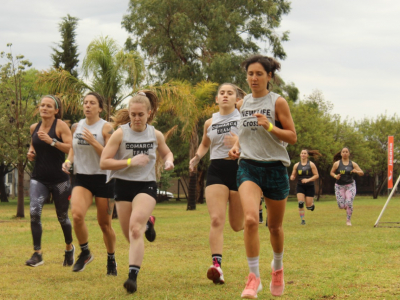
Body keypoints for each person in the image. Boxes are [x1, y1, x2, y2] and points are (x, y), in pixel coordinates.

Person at [229, 55, 297, 298]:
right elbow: (244, 133)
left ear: (269, 76)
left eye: (259, 74)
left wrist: (270, 126)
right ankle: (253, 277)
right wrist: (237, 146)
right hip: (248, 166)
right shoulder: (242, 104)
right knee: (250, 220)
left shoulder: (278, 102)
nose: (254, 78)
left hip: (276, 168)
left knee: (275, 227)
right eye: (250, 74)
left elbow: (291, 137)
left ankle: (277, 268)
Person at [100, 91, 174, 294]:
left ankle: (132, 277)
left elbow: (166, 151)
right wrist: (130, 161)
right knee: (131, 235)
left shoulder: (155, 134)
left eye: (141, 114)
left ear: (149, 113)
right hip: (123, 185)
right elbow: (104, 161)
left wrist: (169, 160)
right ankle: (148, 222)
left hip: (146, 185)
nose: (137, 118)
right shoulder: (120, 133)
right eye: (133, 114)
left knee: (135, 229)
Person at [189, 83, 244, 285]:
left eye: (230, 93)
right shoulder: (209, 122)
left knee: (237, 225)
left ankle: (254, 210)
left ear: (237, 99)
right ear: (216, 98)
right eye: (222, 93)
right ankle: (217, 266)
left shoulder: (243, 119)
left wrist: (239, 142)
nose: (225, 96)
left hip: (239, 169)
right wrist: (196, 157)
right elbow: (205, 143)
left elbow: (255, 141)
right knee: (216, 219)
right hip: (217, 170)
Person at [61, 92, 117, 274]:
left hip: (103, 179)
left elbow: (110, 156)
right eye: (85, 102)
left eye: (92, 103)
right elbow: (72, 149)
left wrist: (93, 142)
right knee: (76, 216)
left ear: (100, 108)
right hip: (82, 178)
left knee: (104, 224)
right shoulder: (77, 126)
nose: (87, 106)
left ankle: (111, 259)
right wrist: (68, 161)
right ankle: (85, 252)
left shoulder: (106, 128)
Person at [26, 95, 74, 267]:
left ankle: (69, 248)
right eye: (42, 105)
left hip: (60, 180)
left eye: (49, 106)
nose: (44, 108)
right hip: (39, 178)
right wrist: (31, 153)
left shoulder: (60, 126)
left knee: (62, 218)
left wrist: (52, 141)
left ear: (56, 110)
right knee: (34, 213)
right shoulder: (34, 127)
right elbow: (33, 146)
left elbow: (71, 147)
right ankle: (37, 253)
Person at [330, 147, 364, 226]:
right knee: (341, 206)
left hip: (350, 185)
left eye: (346, 152)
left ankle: (348, 220)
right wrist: (335, 176)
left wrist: (356, 171)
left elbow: (361, 173)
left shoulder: (353, 164)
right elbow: (331, 172)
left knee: (349, 202)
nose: (345, 153)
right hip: (339, 186)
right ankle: (345, 205)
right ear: (341, 154)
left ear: (349, 154)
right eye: (343, 152)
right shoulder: (337, 163)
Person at [290, 149, 320, 225]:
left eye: (305, 153)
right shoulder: (296, 165)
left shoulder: (311, 164)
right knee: (300, 203)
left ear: (307, 155)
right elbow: (293, 174)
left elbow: (316, 175)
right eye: (302, 153)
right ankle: (302, 220)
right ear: (300, 155)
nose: (303, 154)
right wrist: (292, 177)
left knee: (308, 207)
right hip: (300, 186)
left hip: (310, 186)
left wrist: (308, 180)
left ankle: (311, 205)